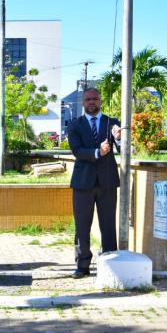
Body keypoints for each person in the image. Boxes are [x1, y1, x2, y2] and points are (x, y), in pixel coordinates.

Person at [68, 88, 122, 279]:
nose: (92, 102)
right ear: (83, 103)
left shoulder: (112, 122)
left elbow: (123, 149)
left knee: (108, 224)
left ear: (100, 101)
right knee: (82, 225)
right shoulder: (75, 125)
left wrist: (119, 138)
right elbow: (77, 151)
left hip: (107, 182)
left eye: (95, 99)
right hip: (83, 183)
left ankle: (109, 263)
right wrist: (97, 152)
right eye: (88, 99)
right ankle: (82, 266)